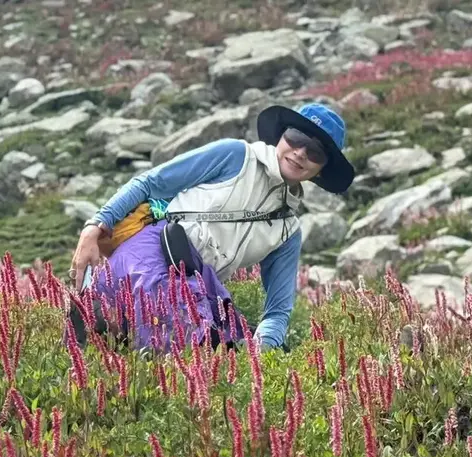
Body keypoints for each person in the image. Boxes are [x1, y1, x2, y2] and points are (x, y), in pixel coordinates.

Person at [65, 102, 355, 354]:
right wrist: (94, 227)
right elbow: (150, 183)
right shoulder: (236, 157)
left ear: (322, 169)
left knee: (225, 346)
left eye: (315, 152)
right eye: (296, 137)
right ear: (282, 136)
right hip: (153, 252)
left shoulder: (287, 232)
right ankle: (103, 316)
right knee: (187, 337)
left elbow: (278, 311)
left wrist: (262, 349)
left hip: (198, 285)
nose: (300, 152)